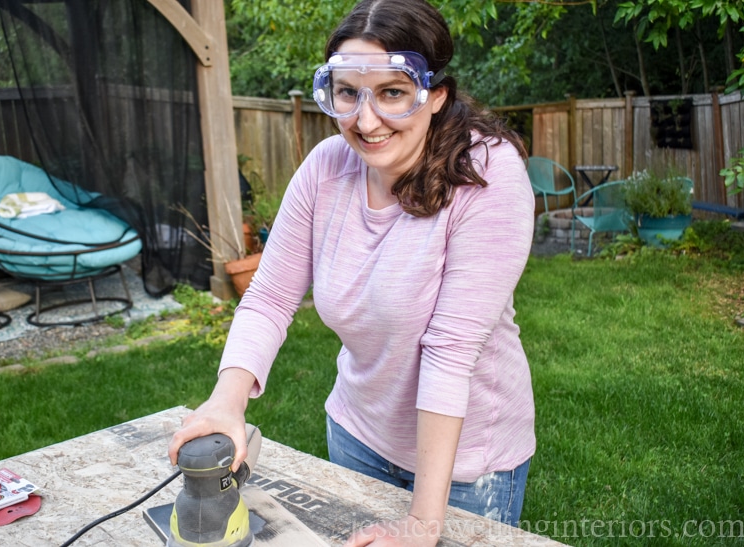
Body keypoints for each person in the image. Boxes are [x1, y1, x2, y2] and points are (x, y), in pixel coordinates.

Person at [168, 0, 535, 544]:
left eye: (392, 92)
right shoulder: (325, 167)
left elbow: (451, 348)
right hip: (356, 434)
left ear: (435, 95)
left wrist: (422, 525)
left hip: (462, 464)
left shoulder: (487, 175)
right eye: (347, 93)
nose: (365, 121)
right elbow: (269, 297)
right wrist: (227, 401)